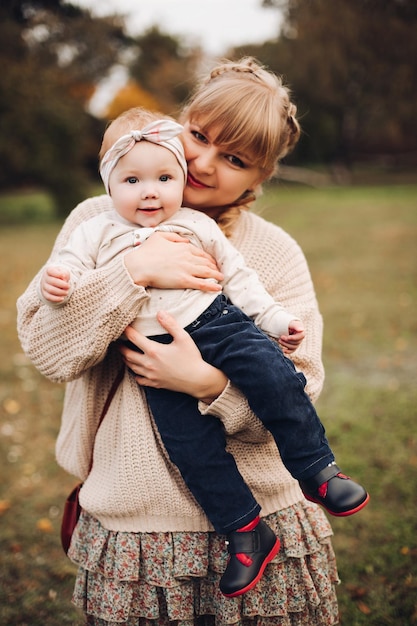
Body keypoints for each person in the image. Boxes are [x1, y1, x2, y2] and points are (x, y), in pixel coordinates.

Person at [17, 57, 353, 624]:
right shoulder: (96, 223)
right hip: (136, 524)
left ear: (258, 177)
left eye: (235, 158)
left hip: (268, 505)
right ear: (179, 122)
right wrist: (134, 273)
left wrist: (206, 384)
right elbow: (48, 350)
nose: (202, 161)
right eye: (198, 135)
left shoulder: (272, 252)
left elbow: (305, 382)